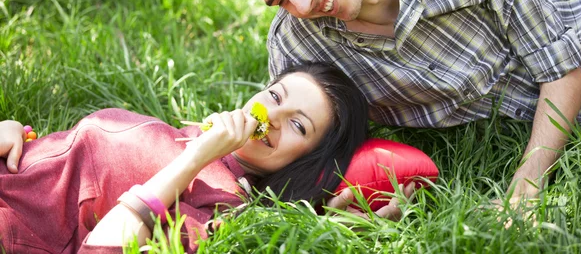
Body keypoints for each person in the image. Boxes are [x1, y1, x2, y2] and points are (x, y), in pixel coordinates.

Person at [221, 0, 581, 210]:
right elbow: (286, 152)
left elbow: (562, 72)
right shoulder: (296, 45)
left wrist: (527, 184)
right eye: (280, 0)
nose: (302, 5)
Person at [0, 63, 369, 253]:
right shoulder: (184, 137)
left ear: (309, 163)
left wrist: (192, 160)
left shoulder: (222, 206)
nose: (270, 117)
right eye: (275, 97)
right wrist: (17, 131)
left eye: (298, 126)